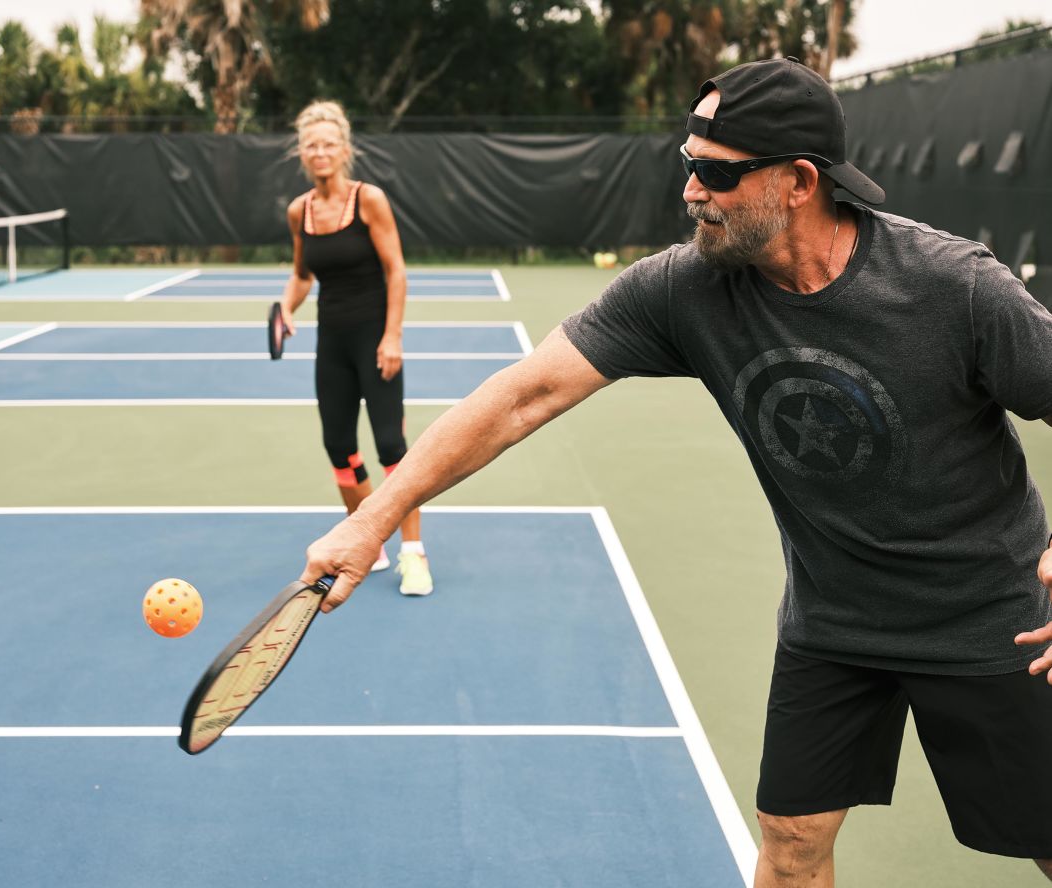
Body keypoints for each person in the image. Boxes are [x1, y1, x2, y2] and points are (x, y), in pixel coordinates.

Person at [298, 59, 1052, 884]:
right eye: (685, 162)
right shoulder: (684, 287)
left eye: (714, 172)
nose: (690, 190)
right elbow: (523, 395)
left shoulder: (955, 287)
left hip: (992, 620)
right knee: (791, 842)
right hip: (835, 623)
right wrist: (375, 516)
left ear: (799, 181)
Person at [280, 100, 433, 596]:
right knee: (339, 449)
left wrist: (393, 336)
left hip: (375, 340)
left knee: (392, 449)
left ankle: (414, 554)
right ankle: (368, 542)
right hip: (332, 345)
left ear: (344, 150)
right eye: (311, 145)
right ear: (301, 154)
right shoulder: (299, 210)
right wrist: (285, 308)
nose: (319, 152)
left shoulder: (369, 199)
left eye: (328, 144)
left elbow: (396, 270)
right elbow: (303, 275)